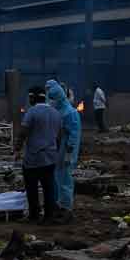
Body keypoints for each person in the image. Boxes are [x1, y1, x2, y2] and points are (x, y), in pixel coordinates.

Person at [14, 86, 62, 223]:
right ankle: (49, 216)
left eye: (30, 97)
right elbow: (59, 136)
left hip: (33, 158)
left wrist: (17, 149)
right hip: (51, 157)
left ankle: (34, 215)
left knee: (32, 188)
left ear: (32, 98)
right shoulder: (56, 113)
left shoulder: (32, 112)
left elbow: (23, 132)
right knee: (49, 188)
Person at [46, 79, 81, 220]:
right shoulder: (59, 110)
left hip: (66, 150)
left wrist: (68, 153)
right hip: (59, 149)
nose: (51, 101)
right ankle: (60, 204)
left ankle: (66, 207)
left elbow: (73, 134)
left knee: (65, 177)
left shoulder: (70, 112)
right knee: (58, 177)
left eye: (53, 98)